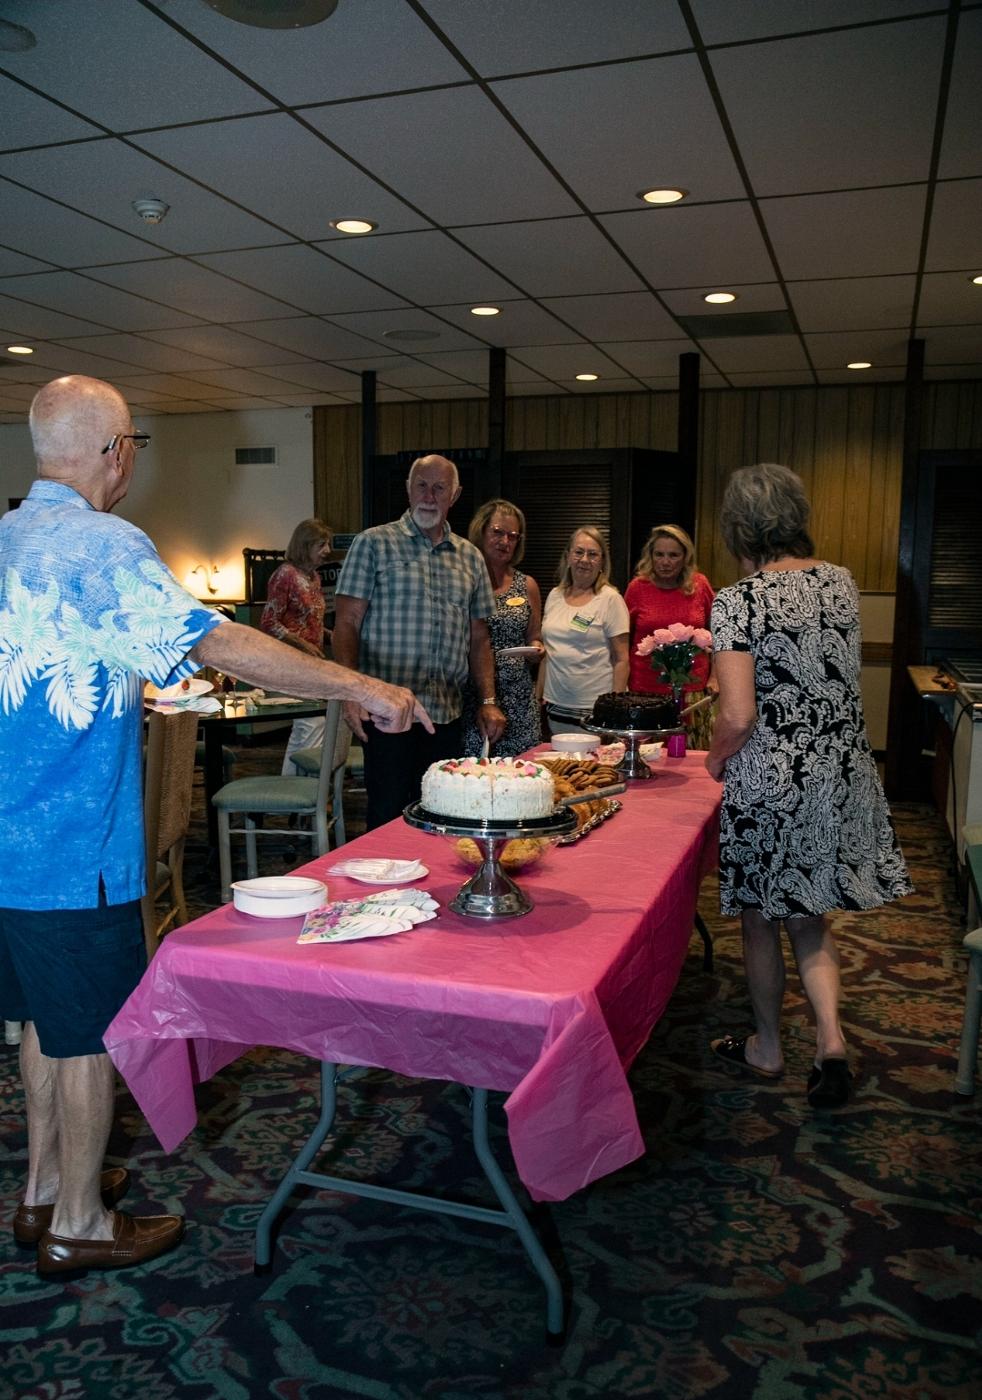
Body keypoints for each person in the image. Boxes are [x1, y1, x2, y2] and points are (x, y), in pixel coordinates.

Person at [0, 375, 430, 1279]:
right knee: (88, 1036)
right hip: (75, 848)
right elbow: (216, 643)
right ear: (115, 450)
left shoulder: (4, 536)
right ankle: (79, 1221)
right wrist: (356, 684)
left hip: (7, 846)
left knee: (40, 1018)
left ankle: (42, 1191)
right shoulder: (103, 542)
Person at [704, 462, 912, 1109]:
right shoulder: (842, 584)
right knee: (811, 918)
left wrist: (713, 760)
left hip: (772, 781)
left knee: (763, 920)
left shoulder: (738, 601)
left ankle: (767, 1048)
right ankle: (830, 1044)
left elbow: (737, 714)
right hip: (839, 775)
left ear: (737, 524)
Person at [332, 454, 507, 828]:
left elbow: (479, 639)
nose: (429, 495)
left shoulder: (471, 558)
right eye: (421, 486)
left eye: (439, 487)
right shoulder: (373, 545)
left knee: (440, 813)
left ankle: (433, 887)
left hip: (446, 713)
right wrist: (349, 692)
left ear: (455, 495)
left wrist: (489, 700)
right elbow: (346, 624)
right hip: (386, 713)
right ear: (408, 490)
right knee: (388, 815)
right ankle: (382, 887)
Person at [461, 498, 543, 757]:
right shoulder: (463, 580)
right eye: (498, 532)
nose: (505, 541)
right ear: (481, 531)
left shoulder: (526, 584)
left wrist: (536, 649)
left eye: (513, 536)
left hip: (519, 699)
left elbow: (535, 636)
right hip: (472, 698)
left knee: (523, 776)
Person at [260, 518, 340, 775]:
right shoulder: (285, 575)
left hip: (311, 662)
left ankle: (298, 789)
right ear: (305, 545)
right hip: (291, 661)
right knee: (310, 723)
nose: (327, 550)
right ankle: (300, 790)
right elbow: (269, 623)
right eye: (321, 544)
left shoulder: (314, 578)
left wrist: (330, 636)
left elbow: (310, 621)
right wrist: (303, 645)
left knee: (309, 727)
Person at [625, 524, 716, 747]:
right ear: (651, 556)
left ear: (685, 557)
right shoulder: (638, 587)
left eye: (673, 555)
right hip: (645, 692)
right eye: (659, 554)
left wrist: (715, 677)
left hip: (693, 691)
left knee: (692, 760)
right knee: (649, 759)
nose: (665, 562)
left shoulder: (700, 585)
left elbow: (719, 634)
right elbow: (622, 640)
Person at [540, 526, 629, 735]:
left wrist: (614, 708)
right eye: (579, 552)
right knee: (561, 766)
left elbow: (622, 659)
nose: (585, 559)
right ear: (568, 556)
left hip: (595, 709)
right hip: (556, 707)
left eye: (593, 554)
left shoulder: (610, 599)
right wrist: (538, 699)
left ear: (602, 562)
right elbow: (547, 652)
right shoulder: (554, 595)